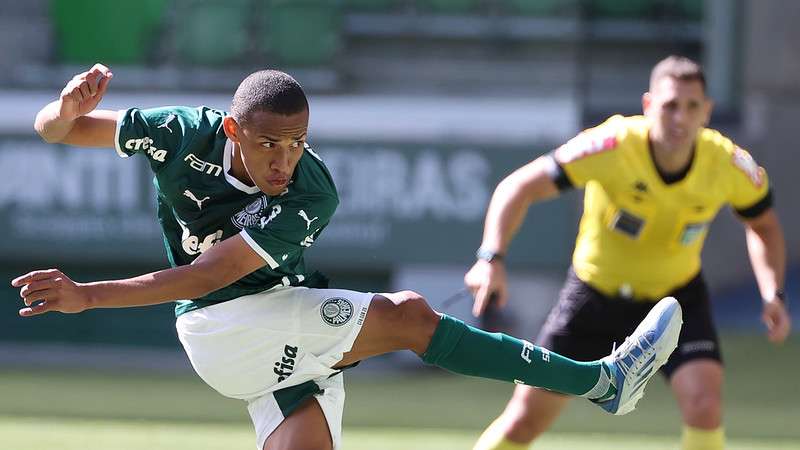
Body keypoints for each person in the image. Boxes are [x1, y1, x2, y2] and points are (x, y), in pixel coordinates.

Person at [14, 63, 682, 450]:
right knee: (412, 317)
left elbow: (219, 267)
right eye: (270, 143)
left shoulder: (313, 190)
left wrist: (89, 292)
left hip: (268, 329)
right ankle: (601, 382)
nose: (285, 159)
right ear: (230, 129)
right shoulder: (178, 132)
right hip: (222, 327)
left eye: (298, 141)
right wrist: (61, 109)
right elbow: (65, 132)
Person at [466, 55, 791, 450]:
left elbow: (764, 225)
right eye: (671, 105)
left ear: (706, 111)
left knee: (704, 406)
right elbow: (518, 187)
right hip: (593, 295)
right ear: (649, 105)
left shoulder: (727, 164)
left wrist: (772, 292)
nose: (681, 118)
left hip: (676, 299)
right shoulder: (612, 145)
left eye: (692, 107)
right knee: (524, 419)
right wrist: (491, 258)